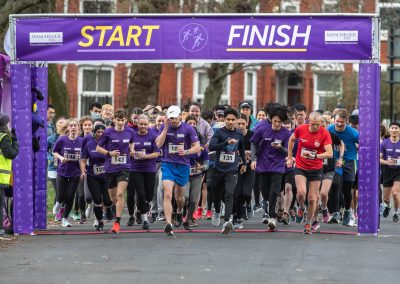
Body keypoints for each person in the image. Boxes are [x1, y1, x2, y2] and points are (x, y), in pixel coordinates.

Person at [156, 105, 201, 237]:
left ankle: (180, 210)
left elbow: (197, 147)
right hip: (168, 164)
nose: (173, 121)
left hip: (183, 165)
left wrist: (186, 151)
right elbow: (158, 144)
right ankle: (169, 224)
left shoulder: (188, 129)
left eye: (175, 118)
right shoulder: (165, 127)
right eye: (171, 119)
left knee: (180, 197)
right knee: (168, 194)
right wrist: (164, 129)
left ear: (180, 116)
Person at [286, 112, 333, 234]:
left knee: (313, 198)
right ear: (309, 121)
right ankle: (301, 207)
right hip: (301, 166)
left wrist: (316, 155)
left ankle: (308, 223)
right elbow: (291, 140)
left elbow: (330, 153)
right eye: (313, 124)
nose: (315, 127)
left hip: (316, 168)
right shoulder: (301, 129)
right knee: (301, 193)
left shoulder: (324, 133)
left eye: (318, 125)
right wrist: (290, 157)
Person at [250, 105, 291, 231]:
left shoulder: (286, 133)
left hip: (278, 167)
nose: (277, 124)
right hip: (262, 166)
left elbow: (288, 152)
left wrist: (281, 148)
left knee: (274, 191)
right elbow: (253, 143)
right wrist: (253, 159)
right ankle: (269, 208)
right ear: (271, 119)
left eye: (280, 122)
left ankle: (272, 217)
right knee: (265, 192)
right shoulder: (263, 128)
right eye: (275, 121)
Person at [96, 109, 135, 233]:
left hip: (124, 167)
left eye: (122, 120)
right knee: (112, 199)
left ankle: (117, 222)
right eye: (118, 120)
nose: (120, 122)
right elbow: (98, 148)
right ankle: (111, 209)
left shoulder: (130, 131)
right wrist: (109, 153)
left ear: (126, 120)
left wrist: (132, 149)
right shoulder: (108, 132)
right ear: (114, 120)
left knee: (120, 194)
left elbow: (132, 142)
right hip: (110, 168)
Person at [209, 108, 246, 235]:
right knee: (216, 193)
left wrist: (244, 163)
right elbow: (211, 146)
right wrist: (225, 143)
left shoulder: (239, 133)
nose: (230, 122)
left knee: (230, 193)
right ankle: (217, 210)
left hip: (232, 168)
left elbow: (241, 148)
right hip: (218, 168)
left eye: (233, 120)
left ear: (236, 120)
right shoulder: (219, 132)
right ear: (224, 120)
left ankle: (227, 221)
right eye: (228, 119)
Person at [327, 110, 359, 226]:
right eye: (337, 121)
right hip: (335, 161)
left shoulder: (353, 132)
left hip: (350, 162)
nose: (339, 124)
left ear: (346, 122)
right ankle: (335, 212)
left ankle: (347, 210)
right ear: (334, 120)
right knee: (335, 184)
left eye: (342, 122)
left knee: (347, 189)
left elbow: (364, 143)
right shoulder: (329, 129)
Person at [80, 124, 112, 231]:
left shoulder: (109, 144)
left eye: (102, 132)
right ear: (94, 133)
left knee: (107, 201)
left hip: (106, 175)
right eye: (98, 132)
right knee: (97, 200)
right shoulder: (89, 144)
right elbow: (83, 159)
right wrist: (83, 171)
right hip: (93, 175)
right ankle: (100, 222)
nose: (100, 134)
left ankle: (108, 209)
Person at [52, 118, 84, 227]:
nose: (73, 127)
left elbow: (85, 157)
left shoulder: (82, 141)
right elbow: (54, 152)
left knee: (70, 196)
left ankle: (64, 219)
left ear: (78, 128)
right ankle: (58, 203)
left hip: (75, 172)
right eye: (71, 126)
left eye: (75, 125)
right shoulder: (62, 140)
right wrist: (61, 158)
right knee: (61, 195)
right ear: (68, 128)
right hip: (62, 171)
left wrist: (83, 169)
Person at [131, 115, 160, 230]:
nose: (143, 126)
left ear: (148, 125)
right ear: (137, 124)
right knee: (141, 193)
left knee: (148, 195)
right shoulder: (132, 135)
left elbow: (156, 153)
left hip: (149, 168)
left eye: (145, 124)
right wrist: (131, 152)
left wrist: (145, 156)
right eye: (141, 124)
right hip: (135, 168)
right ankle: (144, 219)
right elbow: (128, 149)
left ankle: (141, 208)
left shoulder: (153, 135)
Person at [182, 116, 209, 230]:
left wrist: (202, 167)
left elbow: (207, 164)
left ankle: (188, 220)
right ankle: (181, 214)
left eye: (195, 138)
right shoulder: (183, 148)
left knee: (193, 200)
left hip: (197, 176)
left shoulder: (202, 150)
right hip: (184, 175)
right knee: (185, 197)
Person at [232, 114, 254, 229]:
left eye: (243, 124)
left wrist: (250, 156)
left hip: (250, 168)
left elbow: (258, 150)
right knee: (237, 193)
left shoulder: (252, 135)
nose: (240, 126)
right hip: (236, 167)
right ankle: (237, 217)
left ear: (247, 124)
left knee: (246, 193)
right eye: (238, 123)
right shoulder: (233, 135)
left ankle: (246, 204)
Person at [0, 114, 19, 239]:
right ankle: (1, 230)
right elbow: (11, 154)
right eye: (8, 123)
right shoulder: (4, 137)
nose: (10, 125)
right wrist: (16, 141)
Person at [380, 121, 400, 222]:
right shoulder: (384, 143)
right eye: (392, 128)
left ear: (399, 130)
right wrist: (387, 162)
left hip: (398, 171)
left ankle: (396, 211)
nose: (394, 130)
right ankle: (388, 206)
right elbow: (379, 159)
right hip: (387, 171)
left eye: (396, 128)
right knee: (386, 199)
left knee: (395, 193)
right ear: (389, 129)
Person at [48, 117, 67, 215]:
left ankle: (63, 210)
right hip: (53, 168)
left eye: (64, 123)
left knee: (65, 192)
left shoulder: (70, 137)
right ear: (56, 125)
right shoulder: (51, 139)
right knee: (59, 191)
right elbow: (45, 152)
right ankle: (58, 213)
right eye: (60, 122)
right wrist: (51, 158)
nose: (62, 124)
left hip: (66, 168)